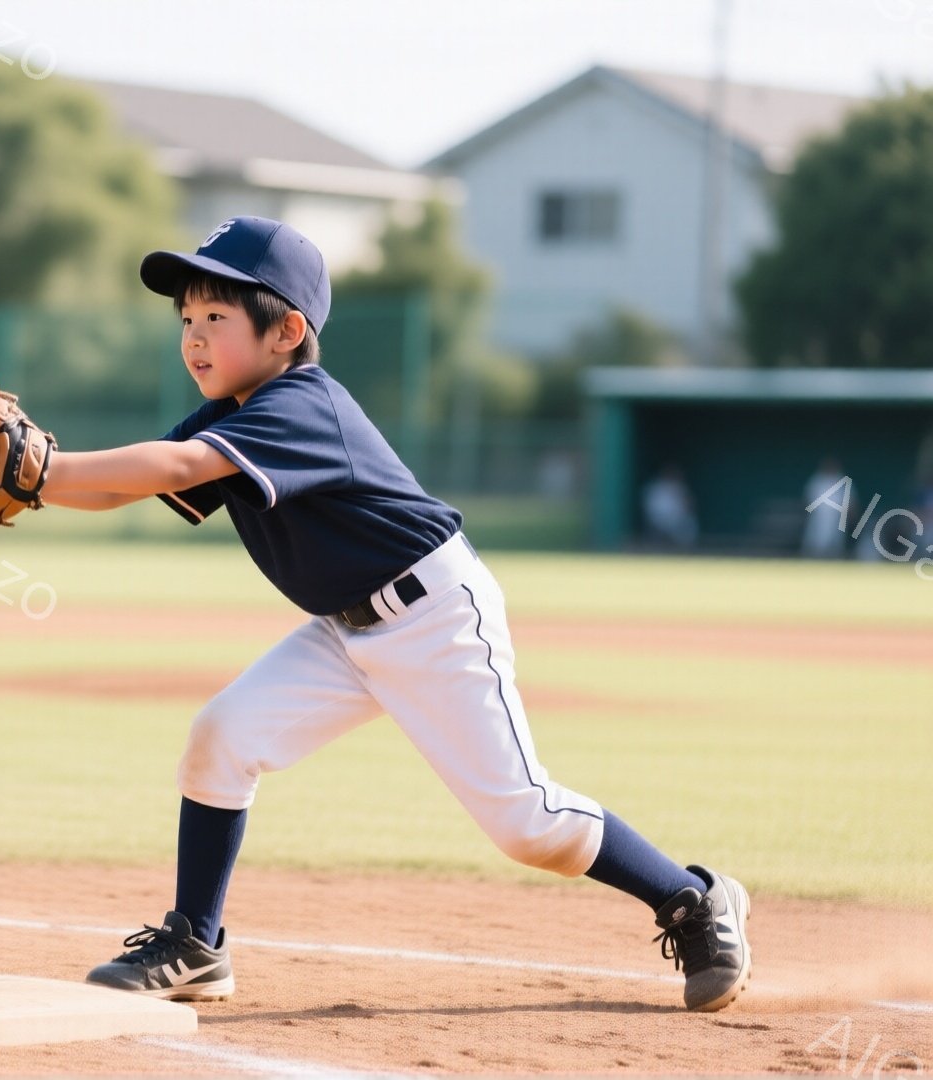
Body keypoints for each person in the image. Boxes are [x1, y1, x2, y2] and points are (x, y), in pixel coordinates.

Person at [37, 216, 751, 1013]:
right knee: (221, 737)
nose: (194, 337)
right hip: (345, 632)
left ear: (288, 331)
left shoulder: (301, 404)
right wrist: (19, 488)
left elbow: (171, 465)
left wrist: (32, 464)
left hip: (436, 618)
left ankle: (693, 899)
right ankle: (196, 944)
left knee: (527, 825)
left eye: (216, 317)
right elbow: (120, 485)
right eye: (186, 320)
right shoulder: (234, 414)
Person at [641, 464, 698, 550]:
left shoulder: (679, 487)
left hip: (678, 520)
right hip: (659, 520)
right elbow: (652, 510)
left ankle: (685, 551)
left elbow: (689, 505)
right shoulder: (656, 488)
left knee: (689, 523)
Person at [801, 458, 849, 559]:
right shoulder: (817, 480)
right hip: (818, 517)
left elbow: (851, 501)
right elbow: (807, 500)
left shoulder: (842, 480)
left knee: (835, 544)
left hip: (837, 517)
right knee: (816, 542)